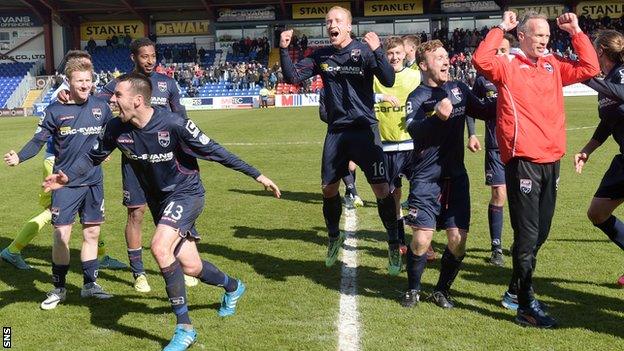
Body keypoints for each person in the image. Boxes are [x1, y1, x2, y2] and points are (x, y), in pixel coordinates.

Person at [43, 73, 280, 351]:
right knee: (192, 266)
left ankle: (185, 328)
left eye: (118, 96)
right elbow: (91, 158)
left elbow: (216, 151)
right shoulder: (115, 129)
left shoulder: (174, 124)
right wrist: (66, 177)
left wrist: (258, 175)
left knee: (159, 247)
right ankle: (232, 286)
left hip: (186, 194)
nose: (113, 100)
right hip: (159, 202)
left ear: (138, 100)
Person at [472, 11, 599, 328]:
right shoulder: (507, 65)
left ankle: (515, 290)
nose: (543, 39)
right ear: (522, 36)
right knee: (528, 236)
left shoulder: (552, 65)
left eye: (546, 35)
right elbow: (480, 59)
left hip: (551, 160)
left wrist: (576, 32)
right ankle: (526, 306)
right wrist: (501, 28)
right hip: (523, 160)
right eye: (537, 34)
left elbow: (590, 67)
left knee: (540, 233)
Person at [279, 6, 401, 274]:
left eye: (336, 21)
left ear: (348, 26)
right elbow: (293, 77)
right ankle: (334, 238)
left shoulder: (364, 51)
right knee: (327, 189)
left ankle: (393, 242)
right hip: (336, 132)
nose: (331, 25)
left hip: (365, 130)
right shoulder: (322, 55)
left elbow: (389, 80)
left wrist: (379, 50)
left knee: (382, 191)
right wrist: (284, 50)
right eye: (328, 21)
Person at [1, 51, 125, 271]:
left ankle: (99, 259)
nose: (86, 83)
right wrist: (19, 156)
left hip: (87, 168)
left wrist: (103, 150)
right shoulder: (61, 97)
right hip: (58, 165)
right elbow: (45, 131)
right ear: (69, 78)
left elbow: (108, 127)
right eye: (81, 78)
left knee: (88, 220)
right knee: (54, 215)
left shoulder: (95, 101)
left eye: (89, 77)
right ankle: (13, 250)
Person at [400, 39, 493, 309]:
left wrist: (509, 96)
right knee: (421, 240)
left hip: (457, 178)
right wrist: (436, 118)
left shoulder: (459, 89)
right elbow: (415, 131)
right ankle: (413, 289)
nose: (445, 60)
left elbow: (487, 111)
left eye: (445, 56)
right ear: (423, 65)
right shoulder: (416, 97)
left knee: (458, 241)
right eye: (438, 57)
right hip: (425, 178)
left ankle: (441, 290)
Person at [574, 29, 624, 287]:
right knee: (598, 213)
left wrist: (587, 79)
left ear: (600, 51)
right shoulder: (607, 82)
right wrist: (587, 150)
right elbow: (608, 123)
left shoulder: (621, 74)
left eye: (594, 49)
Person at [465, 33, 517, 267]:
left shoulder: (520, 74)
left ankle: (521, 242)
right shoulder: (482, 79)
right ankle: (496, 247)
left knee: (519, 198)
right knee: (499, 194)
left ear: (511, 52)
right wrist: (472, 133)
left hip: (520, 148)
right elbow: (470, 107)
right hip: (496, 148)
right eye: (496, 50)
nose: (500, 54)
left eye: (504, 50)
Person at [372, 36, 421, 254]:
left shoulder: (414, 76)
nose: (394, 57)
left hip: (412, 144)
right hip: (387, 146)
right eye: (390, 54)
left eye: (398, 53)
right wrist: (380, 97)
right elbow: (361, 96)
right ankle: (400, 241)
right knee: (394, 197)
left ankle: (422, 242)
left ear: (404, 54)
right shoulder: (376, 77)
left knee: (420, 195)